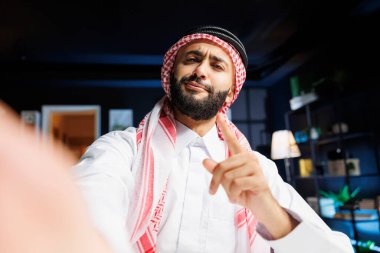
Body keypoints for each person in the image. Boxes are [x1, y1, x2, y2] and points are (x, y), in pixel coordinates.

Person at [74, 26, 354, 253]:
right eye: (193, 59)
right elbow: (86, 214)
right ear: (171, 73)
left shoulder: (257, 171)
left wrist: (268, 209)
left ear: (231, 91)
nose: (201, 71)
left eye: (217, 66)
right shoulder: (122, 150)